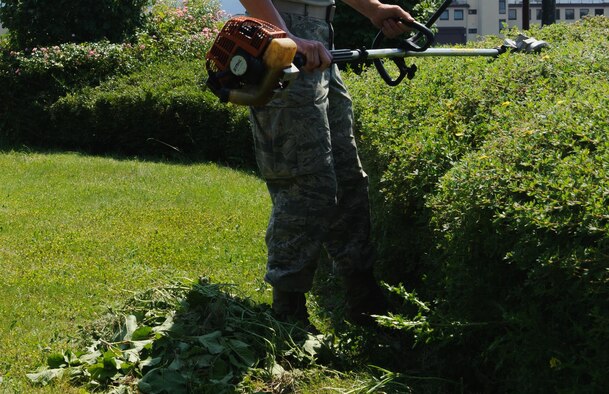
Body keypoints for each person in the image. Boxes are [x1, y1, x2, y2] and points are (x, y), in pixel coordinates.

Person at [238, 0, 415, 327]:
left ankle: (364, 299)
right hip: (281, 36)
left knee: (348, 176)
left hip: (319, 39)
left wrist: (373, 9)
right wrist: (286, 37)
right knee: (306, 181)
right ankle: (287, 313)